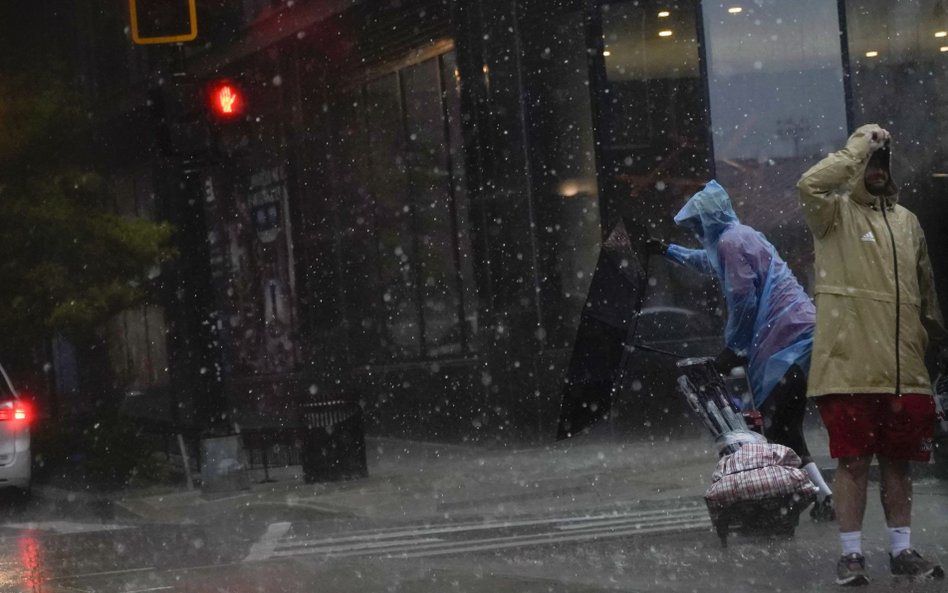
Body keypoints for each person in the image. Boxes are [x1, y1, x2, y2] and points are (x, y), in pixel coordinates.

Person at [797, 124, 947, 585]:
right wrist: (862, 143)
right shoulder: (833, 214)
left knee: (899, 464)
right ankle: (852, 554)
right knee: (854, 463)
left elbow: (926, 295)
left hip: (904, 372)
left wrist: (936, 345)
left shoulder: (907, 222)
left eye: (883, 163)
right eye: (869, 164)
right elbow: (809, 183)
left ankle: (902, 551)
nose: (877, 170)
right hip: (849, 368)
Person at [646, 179, 835, 521]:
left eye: (697, 225)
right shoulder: (737, 237)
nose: (697, 232)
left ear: (709, 221)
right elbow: (707, 262)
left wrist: (732, 347)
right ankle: (821, 495)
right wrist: (667, 250)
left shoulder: (732, 242)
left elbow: (742, 298)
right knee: (783, 427)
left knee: (780, 427)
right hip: (794, 335)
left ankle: (820, 496)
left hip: (786, 339)